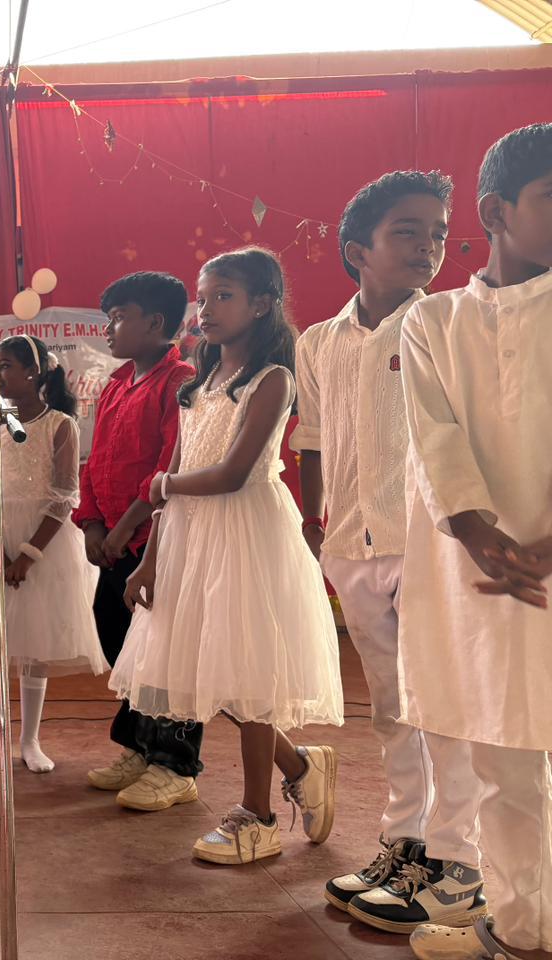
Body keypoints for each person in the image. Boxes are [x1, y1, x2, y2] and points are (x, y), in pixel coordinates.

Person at [292, 171, 486, 932]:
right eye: (407, 231)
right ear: (356, 250)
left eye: (437, 233)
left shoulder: (448, 323)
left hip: (430, 544)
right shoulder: (319, 341)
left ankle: (458, 860)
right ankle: (404, 844)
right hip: (352, 544)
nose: (428, 246)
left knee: (446, 706)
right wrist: (316, 525)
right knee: (393, 709)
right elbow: (312, 437)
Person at [111, 247, 343, 865]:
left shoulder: (272, 380)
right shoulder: (199, 385)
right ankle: (301, 766)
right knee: (212, 673)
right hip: (192, 537)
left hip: (244, 533)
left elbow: (234, 473)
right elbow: (176, 477)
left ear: (262, 304)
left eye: (223, 296)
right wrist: (151, 558)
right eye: (203, 296)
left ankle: (257, 816)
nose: (206, 308)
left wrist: (163, 486)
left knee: (247, 674)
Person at [398, 123, 552, 960]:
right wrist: (476, 531)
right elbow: (434, 436)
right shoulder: (434, 321)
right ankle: (525, 928)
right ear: (495, 212)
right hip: (483, 572)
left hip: (538, 560)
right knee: (506, 753)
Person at [0, 335, 108, 774]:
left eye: (6, 366)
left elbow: (64, 498)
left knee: (35, 642)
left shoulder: (60, 425)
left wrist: (27, 555)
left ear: (34, 372)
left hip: (41, 544)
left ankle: (30, 740)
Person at [78, 272, 207, 812]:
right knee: (121, 643)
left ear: (155, 323)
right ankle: (139, 746)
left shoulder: (181, 382)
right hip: (113, 543)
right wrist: (92, 525)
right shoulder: (116, 384)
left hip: (156, 544)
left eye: (119, 317)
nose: (109, 329)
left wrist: (126, 527)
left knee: (166, 654)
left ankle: (175, 765)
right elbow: (95, 460)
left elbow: (166, 468)